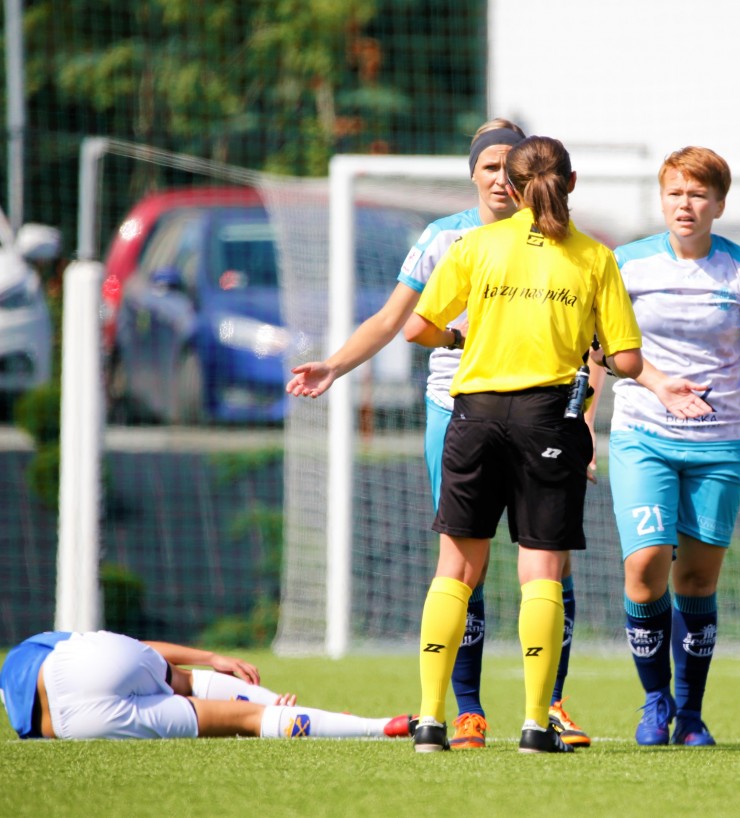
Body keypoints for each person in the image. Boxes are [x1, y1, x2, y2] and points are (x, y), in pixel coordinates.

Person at [286, 119, 592, 750]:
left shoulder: (563, 242)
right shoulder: (446, 238)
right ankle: (469, 708)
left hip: (542, 415)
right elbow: (395, 319)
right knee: (463, 560)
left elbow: (589, 348)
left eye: (511, 167)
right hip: (455, 412)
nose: (501, 179)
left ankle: (551, 703)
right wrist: (335, 366)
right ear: (473, 174)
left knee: (548, 562)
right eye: (489, 167)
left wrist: (580, 420)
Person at [401, 135, 644, 753]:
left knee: (456, 568)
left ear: (510, 185)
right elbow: (629, 361)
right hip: (548, 420)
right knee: (541, 570)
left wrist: (460, 339)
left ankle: (430, 720)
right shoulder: (595, 257)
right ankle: (537, 724)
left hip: (474, 416)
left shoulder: (475, 245)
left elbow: (417, 328)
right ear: (572, 182)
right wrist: (594, 344)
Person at [600, 146, 740, 746]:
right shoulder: (625, 263)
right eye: (675, 193)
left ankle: (690, 714)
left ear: (719, 205)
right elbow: (602, 349)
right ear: (662, 200)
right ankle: (654, 700)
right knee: (645, 565)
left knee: (699, 581)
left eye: (698, 194)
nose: (686, 204)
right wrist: (582, 422)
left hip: (719, 444)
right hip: (642, 436)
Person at [0, 630, 412, 740]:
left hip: (72, 725)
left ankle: (371, 728)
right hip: (80, 662)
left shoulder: (18, 706)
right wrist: (211, 657)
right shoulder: (33, 648)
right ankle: (367, 724)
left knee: (248, 721)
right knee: (185, 681)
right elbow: (139, 650)